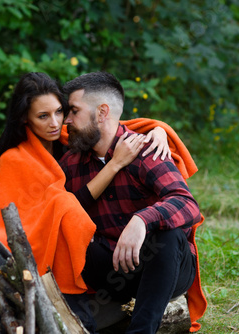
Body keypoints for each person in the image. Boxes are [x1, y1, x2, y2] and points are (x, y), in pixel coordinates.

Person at [0, 72, 171, 306]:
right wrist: (115, 164)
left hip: (88, 250)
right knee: (64, 205)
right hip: (34, 250)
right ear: (24, 118)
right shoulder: (14, 159)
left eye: (60, 111)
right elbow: (58, 209)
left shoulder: (69, 137)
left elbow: (118, 125)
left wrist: (159, 130)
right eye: (43, 116)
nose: (55, 123)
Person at [60, 72, 208, 333]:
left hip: (163, 267)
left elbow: (187, 203)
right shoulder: (71, 162)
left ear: (102, 112)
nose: (66, 120)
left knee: (169, 235)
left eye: (73, 111)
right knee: (62, 235)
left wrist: (142, 219)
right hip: (111, 271)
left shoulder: (147, 150)